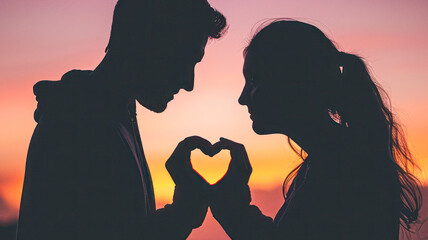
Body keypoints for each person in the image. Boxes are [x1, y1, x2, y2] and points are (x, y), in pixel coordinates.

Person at [17, 0, 227, 239]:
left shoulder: (112, 113)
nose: (188, 83)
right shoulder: (77, 127)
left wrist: (182, 213)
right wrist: (181, 215)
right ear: (145, 42)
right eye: (183, 59)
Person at [208, 20, 422, 239]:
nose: (242, 99)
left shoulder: (342, 171)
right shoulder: (331, 161)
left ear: (292, 81)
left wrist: (233, 209)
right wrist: (232, 206)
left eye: (254, 81)